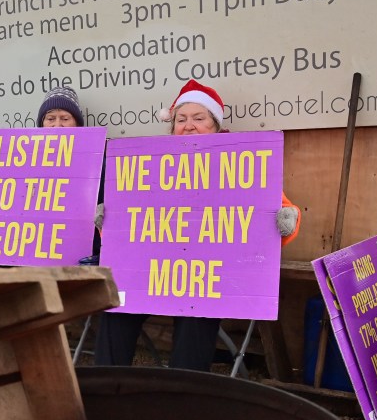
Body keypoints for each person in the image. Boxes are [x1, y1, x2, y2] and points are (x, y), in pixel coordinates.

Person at [93, 79, 301, 370]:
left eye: (199, 118)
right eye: (181, 119)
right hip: (153, 271)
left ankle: (183, 401)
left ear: (215, 125)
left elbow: (278, 210)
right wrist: (108, 221)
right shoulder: (151, 163)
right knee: (118, 308)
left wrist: (287, 220)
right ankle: (107, 390)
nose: (188, 126)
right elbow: (127, 230)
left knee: (198, 315)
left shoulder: (241, 161)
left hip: (207, 276)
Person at [0, 86, 88, 244]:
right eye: (50, 118)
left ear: (77, 123)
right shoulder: (20, 161)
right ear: (41, 124)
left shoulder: (94, 164)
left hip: (71, 255)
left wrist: (97, 251)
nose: (57, 125)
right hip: (30, 255)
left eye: (65, 118)